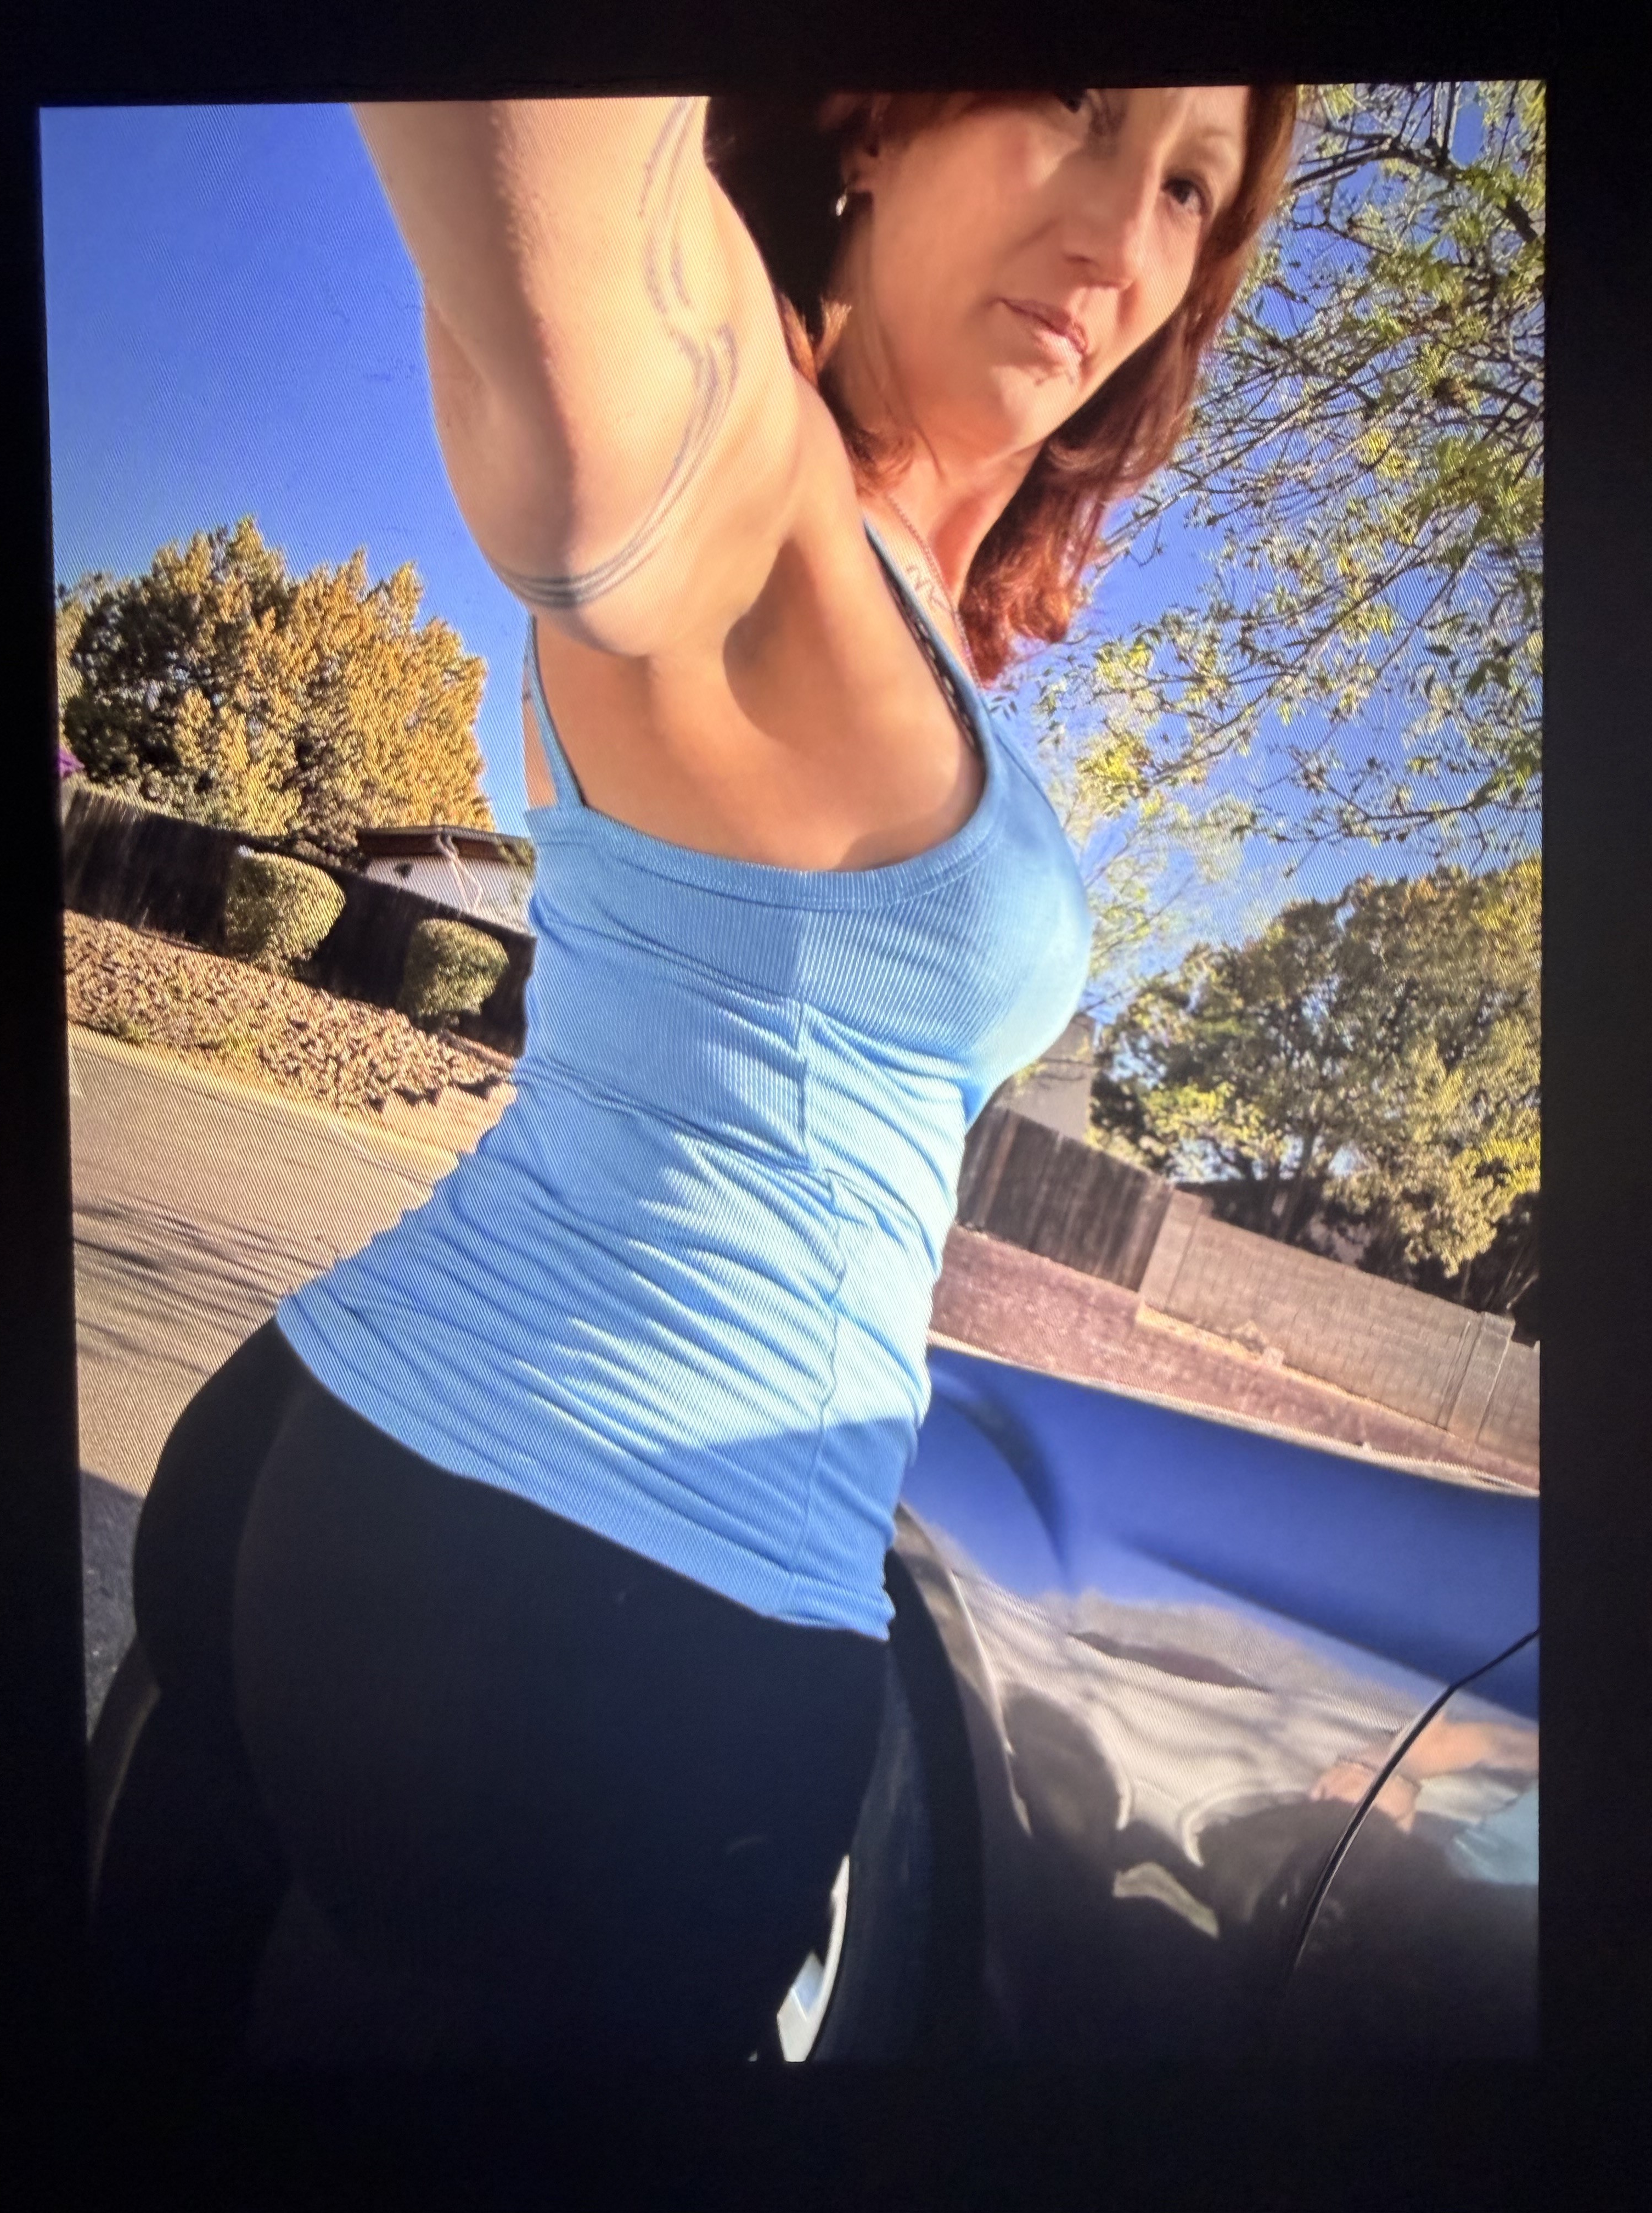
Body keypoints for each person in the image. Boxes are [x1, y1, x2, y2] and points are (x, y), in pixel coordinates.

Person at [91, 86, 1300, 2068]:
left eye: (1187, 183)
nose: (1118, 233)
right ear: (875, 125)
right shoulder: (750, 474)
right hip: (581, 1625)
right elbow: (580, 282)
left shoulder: (891, 588)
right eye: (1076, 101)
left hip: (351, 1462)